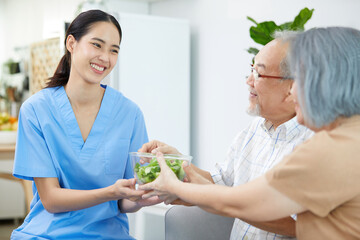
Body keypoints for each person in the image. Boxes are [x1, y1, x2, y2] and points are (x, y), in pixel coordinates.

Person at [140, 27, 360, 239]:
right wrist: (178, 166)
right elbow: (229, 190)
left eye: (301, 80)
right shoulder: (345, 137)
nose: (293, 92)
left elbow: (246, 203)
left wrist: (175, 185)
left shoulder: (332, 148)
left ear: (324, 83)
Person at [11, 10, 160, 239]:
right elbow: (50, 200)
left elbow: (125, 200)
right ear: (71, 42)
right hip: (48, 233)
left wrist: (141, 199)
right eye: (97, 45)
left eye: (114, 50)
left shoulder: (130, 114)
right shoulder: (36, 111)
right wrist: (110, 192)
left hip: (109, 234)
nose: (105, 57)